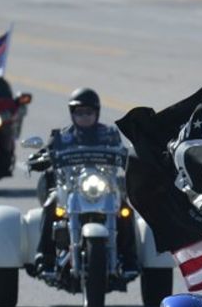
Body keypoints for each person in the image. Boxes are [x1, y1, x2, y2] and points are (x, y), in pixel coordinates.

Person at [29, 87, 138, 275]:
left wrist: (135, 158)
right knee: (50, 206)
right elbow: (45, 153)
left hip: (103, 187)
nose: (84, 117)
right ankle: (44, 257)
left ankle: (130, 259)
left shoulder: (109, 134)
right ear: (72, 114)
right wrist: (38, 159)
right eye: (79, 113)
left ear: (97, 113)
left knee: (125, 210)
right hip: (70, 187)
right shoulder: (61, 136)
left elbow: (123, 153)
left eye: (89, 112)